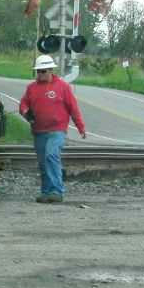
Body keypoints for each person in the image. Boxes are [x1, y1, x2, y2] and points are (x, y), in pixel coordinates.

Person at [19, 54, 86, 204]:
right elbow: (23, 105)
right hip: (39, 131)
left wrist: (80, 127)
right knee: (43, 163)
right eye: (38, 71)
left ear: (51, 70)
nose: (40, 74)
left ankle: (57, 191)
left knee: (51, 155)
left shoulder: (63, 87)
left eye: (43, 71)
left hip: (57, 130)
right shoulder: (31, 88)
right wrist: (25, 112)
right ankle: (46, 192)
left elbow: (73, 108)